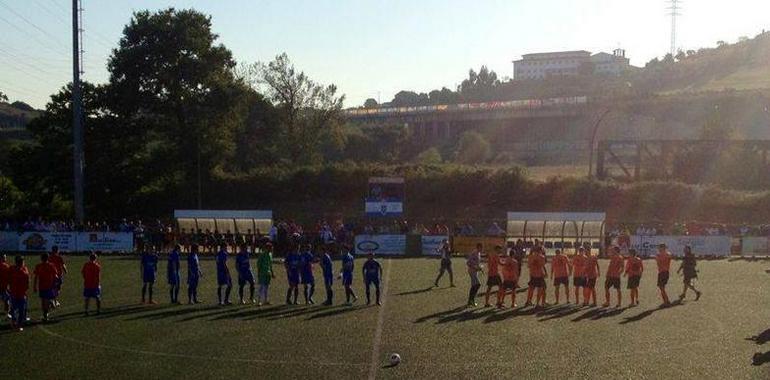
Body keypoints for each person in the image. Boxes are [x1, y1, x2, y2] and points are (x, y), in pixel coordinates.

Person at [33, 253, 59, 321]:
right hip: (48, 286)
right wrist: (56, 283)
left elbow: (36, 277)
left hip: (43, 286)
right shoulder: (51, 265)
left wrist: (34, 286)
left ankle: (45, 314)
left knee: (44, 301)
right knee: (45, 301)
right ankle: (46, 311)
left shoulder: (39, 266)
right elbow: (56, 276)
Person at [8, 256, 29, 331]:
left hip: (16, 293)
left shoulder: (12, 269)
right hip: (18, 293)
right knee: (19, 310)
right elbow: (27, 281)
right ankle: (17, 324)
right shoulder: (23, 271)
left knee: (17, 309)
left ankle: (16, 323)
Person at [0, 253, 10, 318]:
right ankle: (7, 314)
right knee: (7, 301)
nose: (5, 259)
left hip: (3, 286)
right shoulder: (6, 266)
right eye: (4, 257)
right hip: (3, 287)